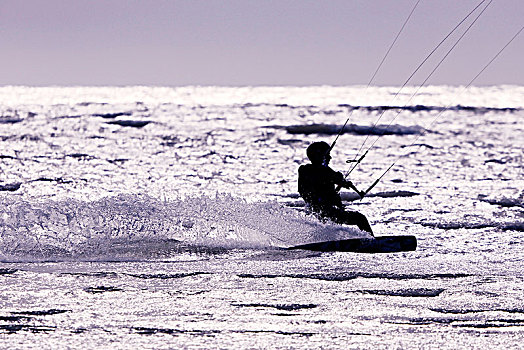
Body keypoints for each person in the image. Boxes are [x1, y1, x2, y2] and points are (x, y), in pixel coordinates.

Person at [298, 141, 374, 235]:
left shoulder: (320, 170)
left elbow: (327, 177)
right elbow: (322, 175)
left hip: (326, 211)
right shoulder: (308, 170)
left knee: (337, 224)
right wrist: (339, 180)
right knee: (360, 218)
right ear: (318, 156)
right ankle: (372, 241)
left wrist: (342, 182)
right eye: (327, 155)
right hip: (325, 211)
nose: (330, 157)